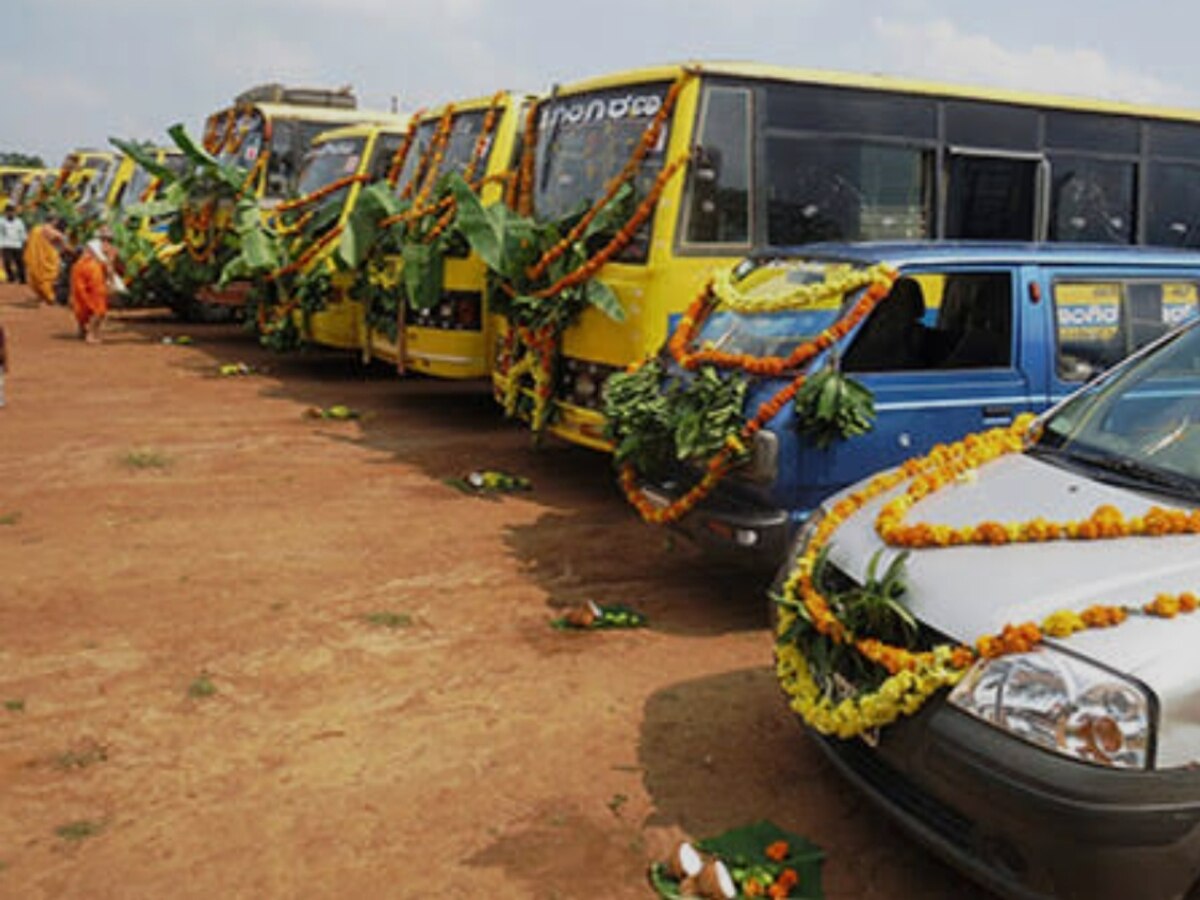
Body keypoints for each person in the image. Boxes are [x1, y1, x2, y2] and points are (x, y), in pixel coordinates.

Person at [70, 228, 114, 344]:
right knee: (99, 306)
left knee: (82, 301)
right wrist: (111, 282)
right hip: (93, 272)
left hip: (78, 270)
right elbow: (109, 267)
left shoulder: (90, 245)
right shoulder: (109, 248)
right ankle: (91, 334)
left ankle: (82, 330)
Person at [23, 217, 67, 305]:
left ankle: (44, 297)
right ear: (54, 221)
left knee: (37, 279)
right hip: (49, 259)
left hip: (36, 259)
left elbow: (27, 242)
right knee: (47, 279)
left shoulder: (36, 229)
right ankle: (50, 298)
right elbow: (64, 247)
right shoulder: (56, 233)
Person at [0, 207, 28, 284]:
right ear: (5, 213)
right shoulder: (1, 221)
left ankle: (23, 278)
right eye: (8, 212)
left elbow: (23, 232)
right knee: (7, 262)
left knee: (20, 262)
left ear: (14, 213)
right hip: (6, 244)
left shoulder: (19, 222)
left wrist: (25, 242)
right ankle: (11, 277)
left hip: (17, 244)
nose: (10, 213)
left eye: (11, 212)